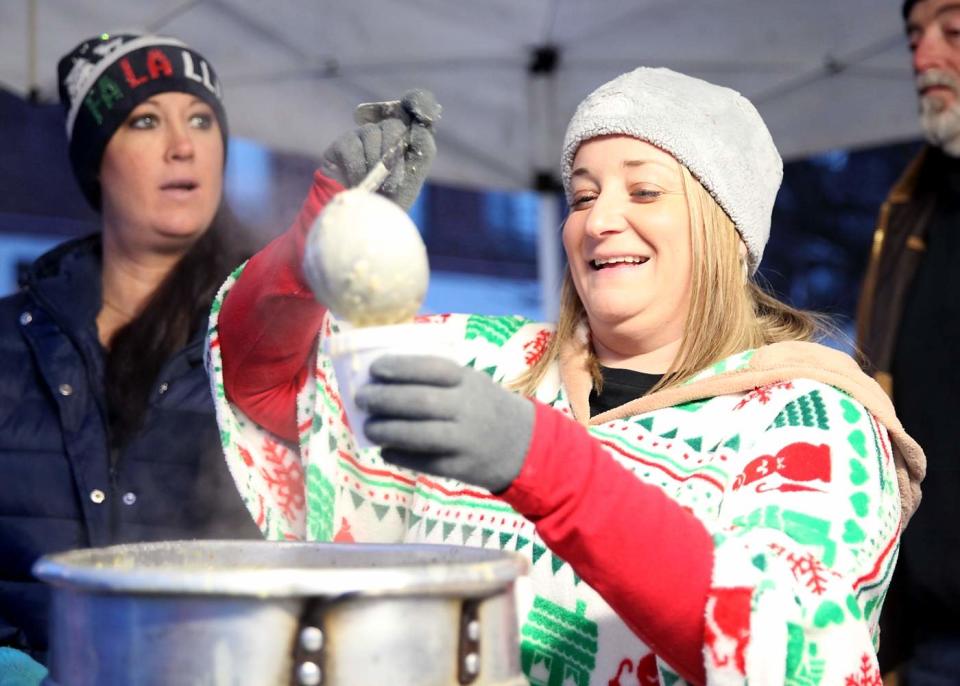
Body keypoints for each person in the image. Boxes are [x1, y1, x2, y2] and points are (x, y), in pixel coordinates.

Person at [211, 69, 925, 685]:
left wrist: (545, 465)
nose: (600, 220)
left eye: (643, 192)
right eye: (583, 197)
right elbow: (270, 386)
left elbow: (791, 650)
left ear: (722, 227)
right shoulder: (493, 364)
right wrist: (320, 236)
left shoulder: (807, 422)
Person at [0, 32, 261, 674]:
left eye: (201, 120)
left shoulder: (261, 342)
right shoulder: (9, 343)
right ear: (96, 162)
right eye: (145, 120)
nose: (183, 145)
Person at [858, 1, 960, 682]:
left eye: (952, 32)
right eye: (914, 36)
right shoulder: (910, 206)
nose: (923, 58)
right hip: (930, 629)